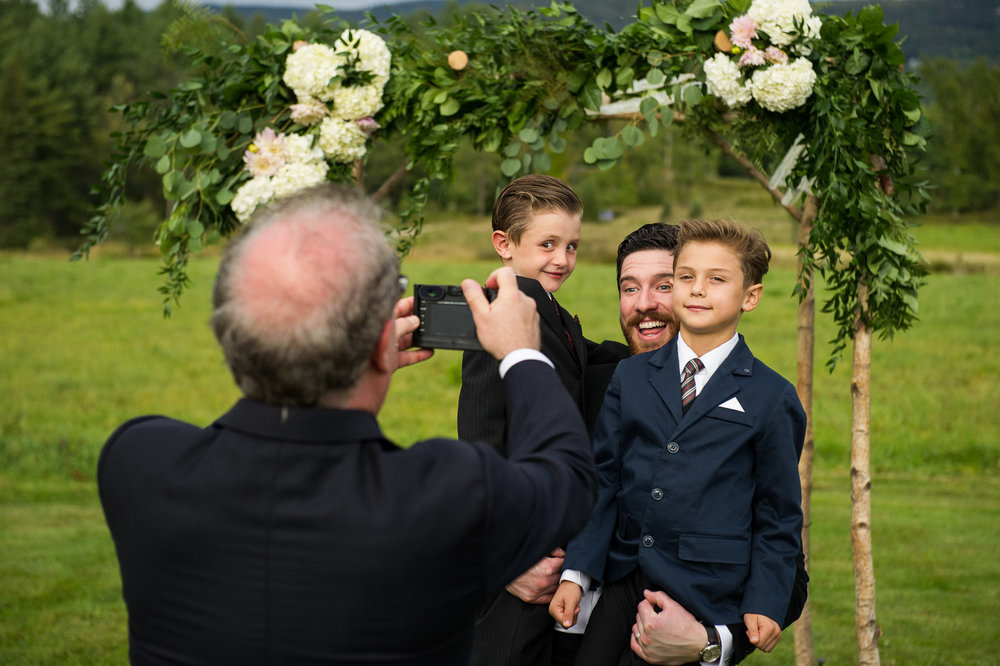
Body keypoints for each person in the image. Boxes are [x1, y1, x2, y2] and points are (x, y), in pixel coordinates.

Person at [97, 183, 598, 666]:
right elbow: (567, 477)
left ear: (232, 331)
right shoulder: (446, 494)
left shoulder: (137, 461)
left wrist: (366, 363)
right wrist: (522, 354)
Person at [552, 219, 807, 665]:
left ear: (751, 296)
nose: (697, 290)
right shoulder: (629, 377)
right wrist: (577, 571)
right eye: (687, 278)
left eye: (715, 280)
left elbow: (777, 513)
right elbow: (604, 480)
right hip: (623, 579)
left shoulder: (772, 396)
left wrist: (759, 605)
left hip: (704, 589)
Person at [460, 174, 590, 666]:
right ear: (504, 244)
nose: (563, 258)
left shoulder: (552, 312)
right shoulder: (501, 314)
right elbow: (482, 440)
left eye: (572, 245)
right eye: (548, 244)